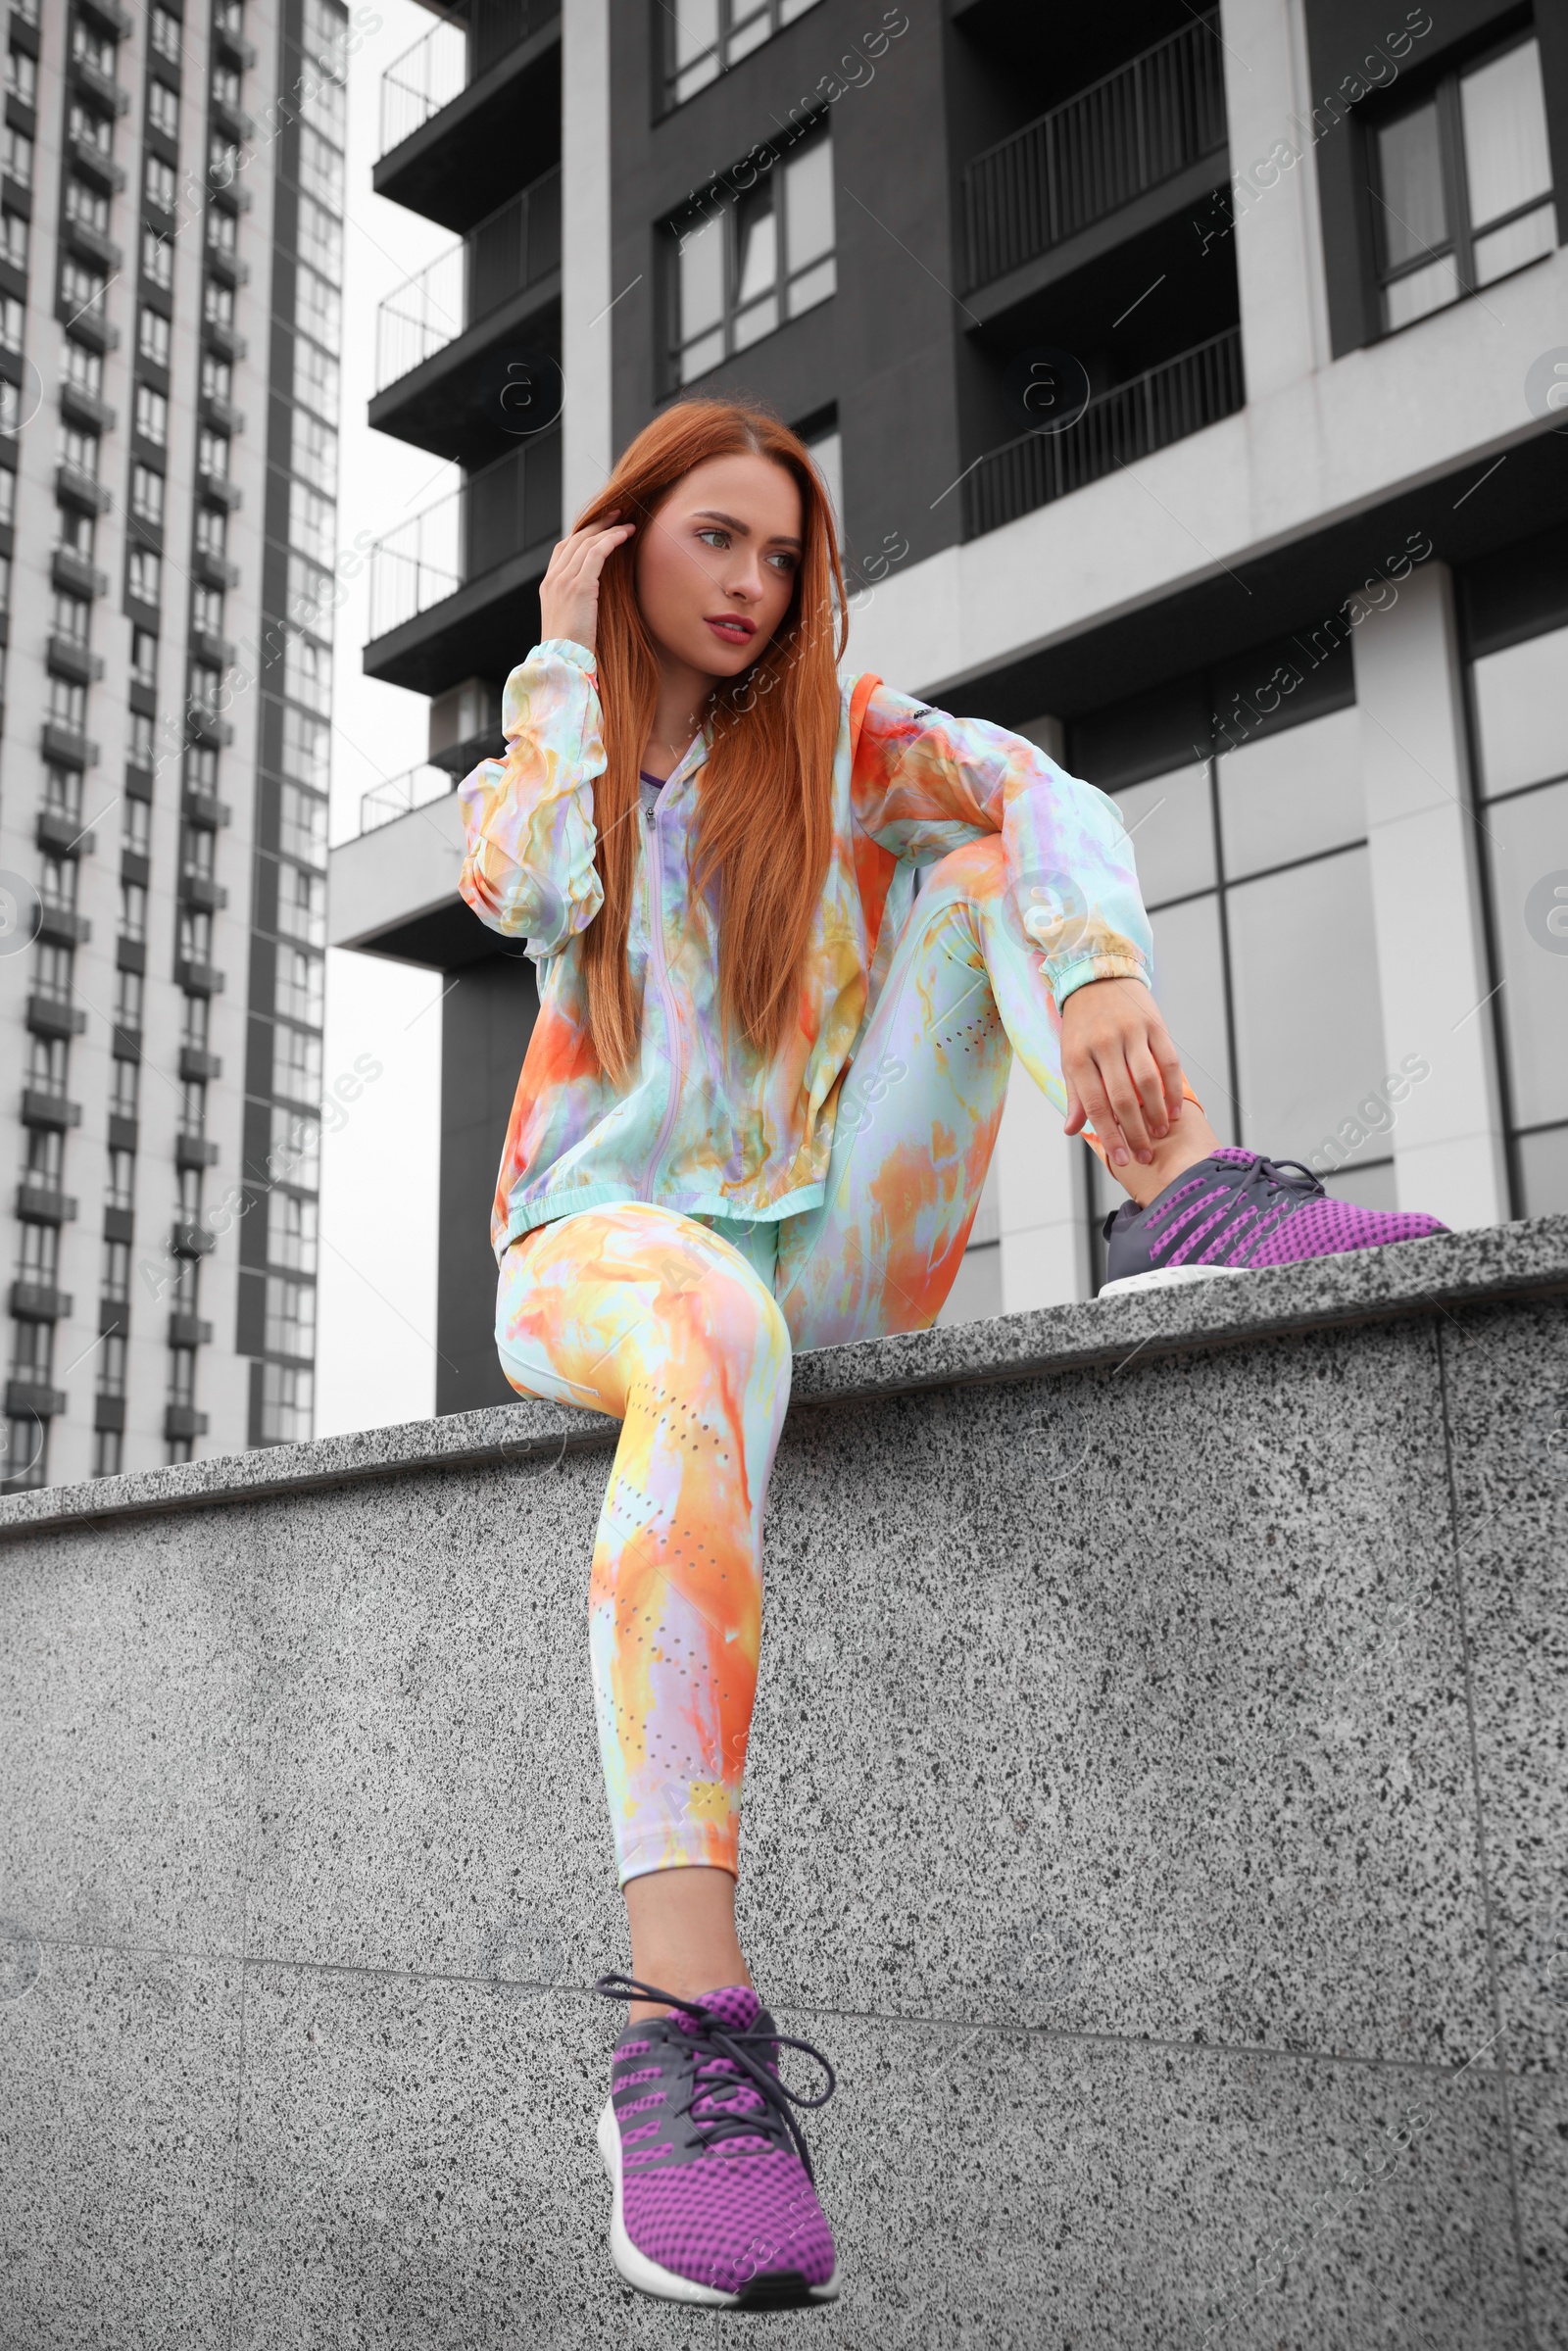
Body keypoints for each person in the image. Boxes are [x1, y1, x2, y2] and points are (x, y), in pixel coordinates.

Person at [457, 398, 1446, 2311]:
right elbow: (525, 890)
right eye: (713, 540)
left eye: (781, 553)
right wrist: (565, 660)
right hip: (595, 1252)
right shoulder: (558, 746)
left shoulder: (834, 747)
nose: (752, 582)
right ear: (625, 545)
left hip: (815, 1253)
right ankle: (679, 2030)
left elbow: (1039, 793)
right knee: (707, 1322)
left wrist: (1092, 976)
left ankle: (1179, 1195)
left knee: (1002, 856)